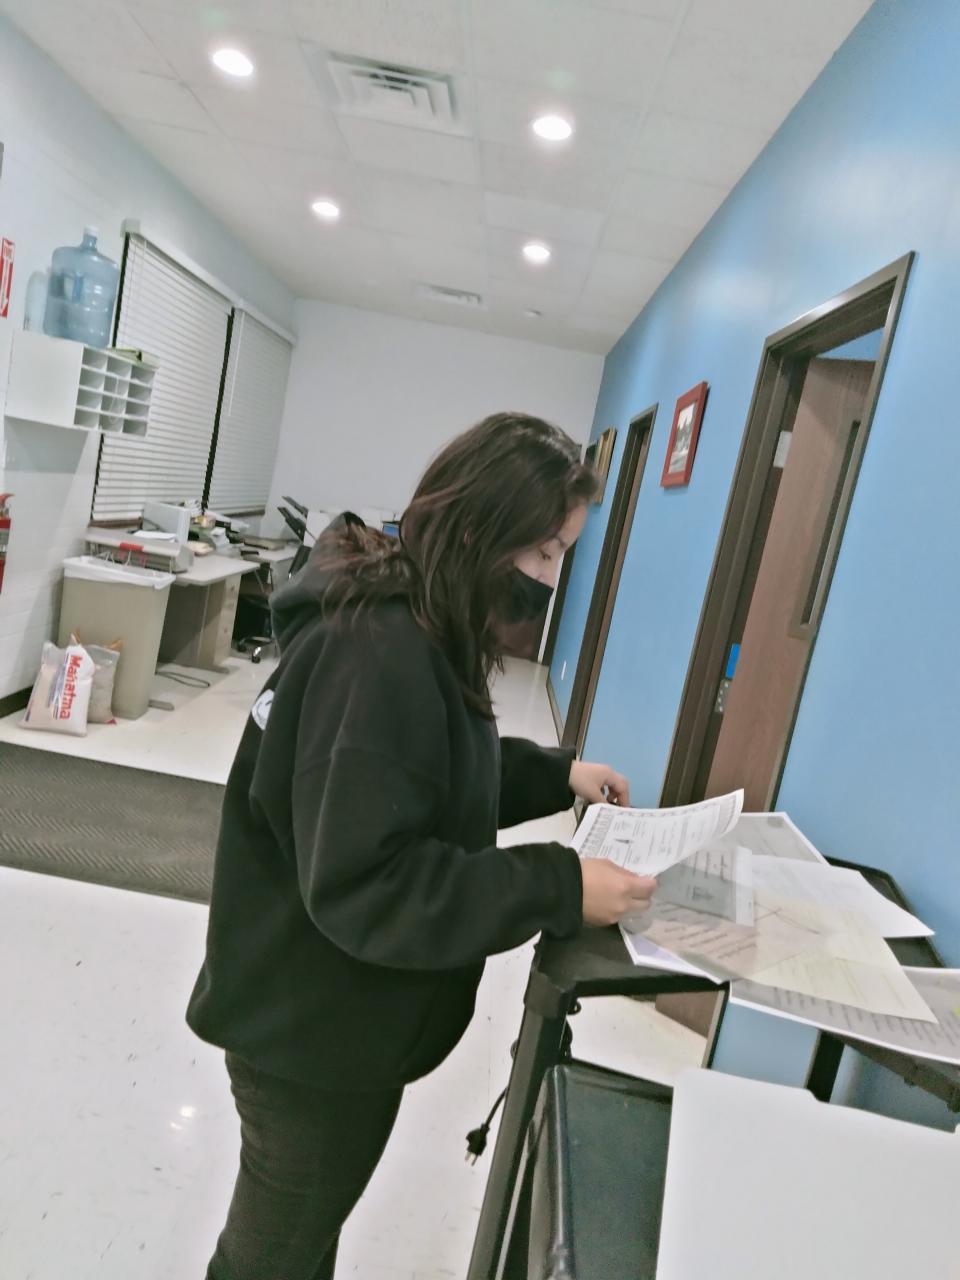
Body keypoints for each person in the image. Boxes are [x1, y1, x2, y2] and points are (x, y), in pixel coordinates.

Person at [186, 412, 657, 1279]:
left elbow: (424, 771)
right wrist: (558, 884)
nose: (550, 577)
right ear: (480, 529)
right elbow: (372, 882)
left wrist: (557, 775)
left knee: (299, 1246)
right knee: (271, 1258)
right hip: (308, 1033)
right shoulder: (378, 652)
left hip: (332, 1015)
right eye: (544, 552)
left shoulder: (420, 623)